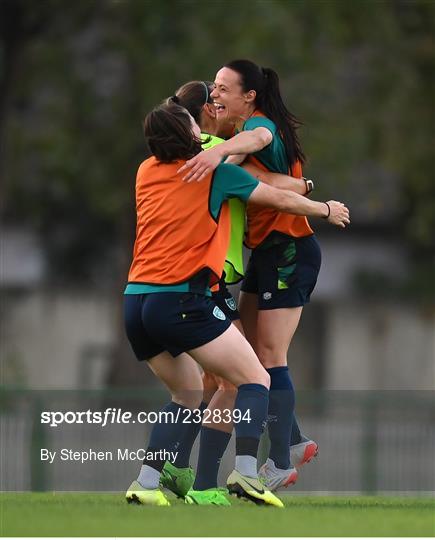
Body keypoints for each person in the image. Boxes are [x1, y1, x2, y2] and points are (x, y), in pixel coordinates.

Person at [124, 100, 349, 507]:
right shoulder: (217, 175)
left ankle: (144, 483)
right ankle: (247, 473)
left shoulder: (144, 171)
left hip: (137, 302)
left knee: (187, 394)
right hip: (182, 298)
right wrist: (324, 207)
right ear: (189, 134)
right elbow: (277, 199)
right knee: (254, 379)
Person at [178, 59, 344, 490]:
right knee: (249, 360)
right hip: (267, 254)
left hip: (289, 250)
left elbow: (261, 142)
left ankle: (279, 461)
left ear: (248, 96)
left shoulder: (256, 128)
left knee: (268, 358)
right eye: (211, 89)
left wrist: (219, 153)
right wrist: (299, 185)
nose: (215, 95)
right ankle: (293, 440)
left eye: (222, 87)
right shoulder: (230, 139)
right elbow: (266, 180)